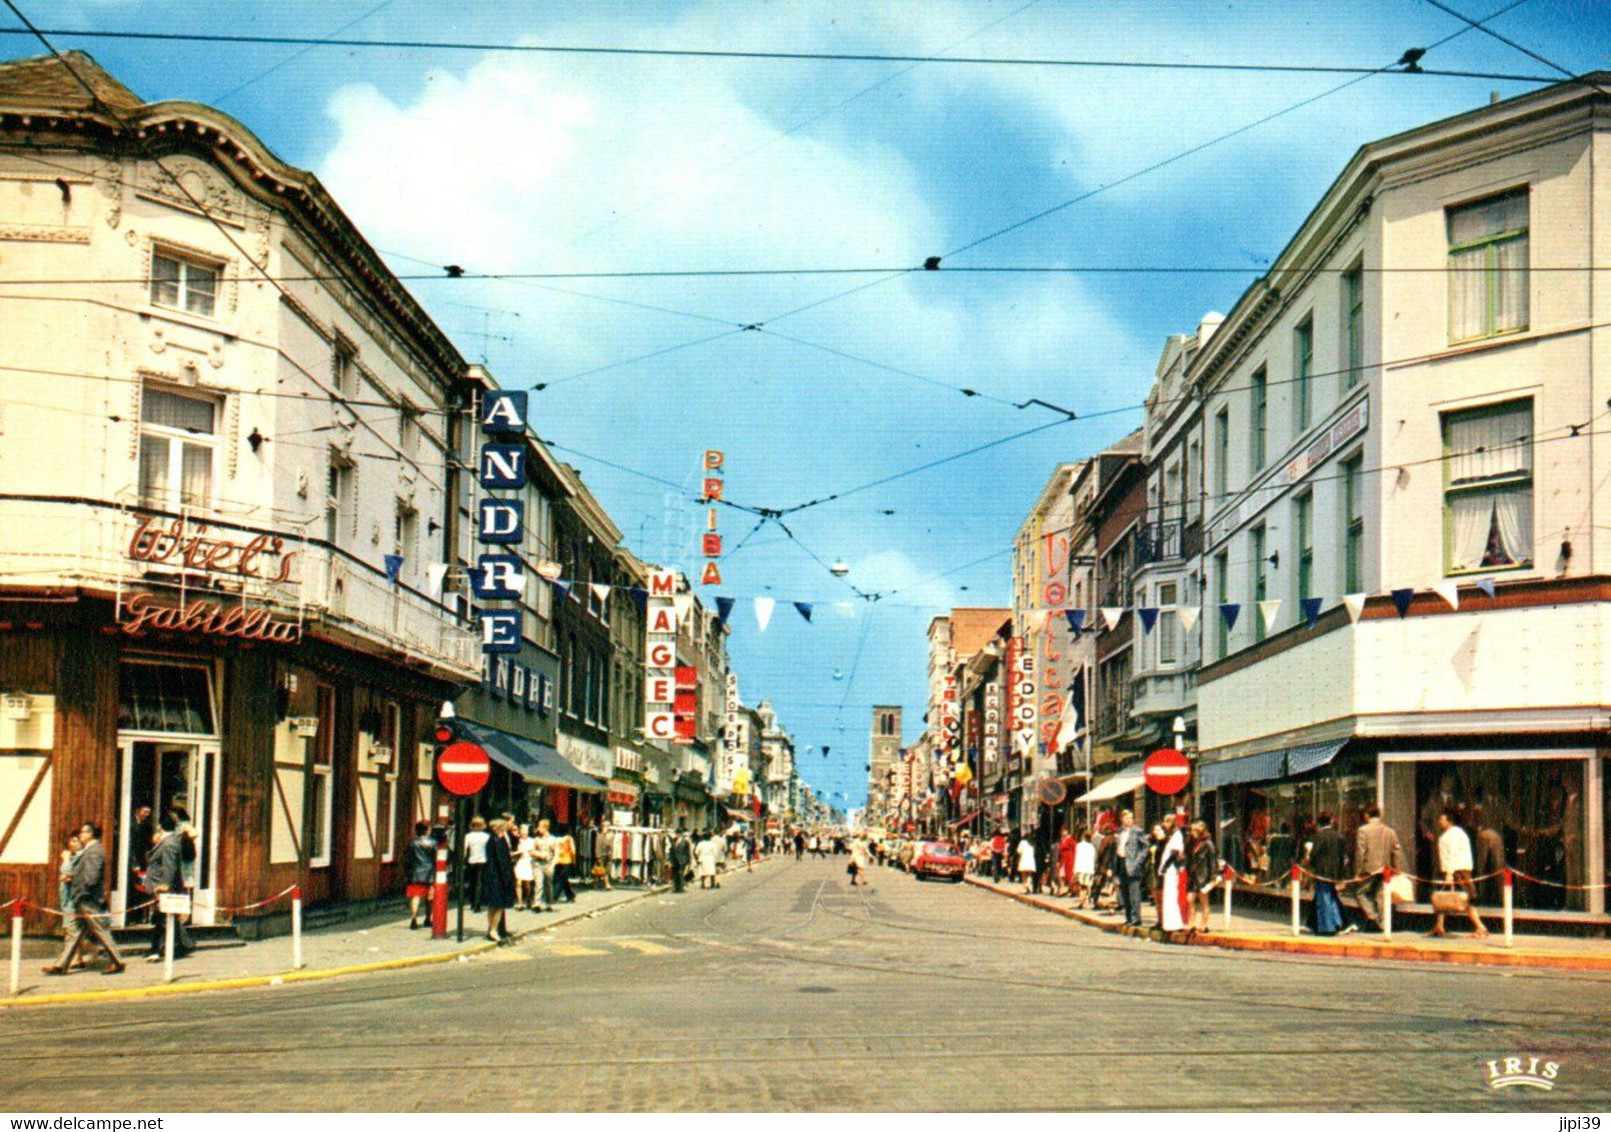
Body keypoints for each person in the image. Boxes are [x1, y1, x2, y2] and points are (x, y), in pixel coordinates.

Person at [43, 822, 124, 976]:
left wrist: (81, 890)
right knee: (76, 931)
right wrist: (72, 877)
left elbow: (91, 877)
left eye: (83, 832)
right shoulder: (91, 849)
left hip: (87, 898)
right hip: (83, 897)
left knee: (100, 930)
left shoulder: (94, 850)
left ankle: (118, 961)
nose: (80, 835)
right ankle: (61, 965)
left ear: (91, 834)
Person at [142, 817, 194, 963]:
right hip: (160, 886)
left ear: (160, 826)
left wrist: (165, 885)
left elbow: (169, 865)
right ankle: (179, 946)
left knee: (160, 919)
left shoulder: (168, 843)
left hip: (163, 888)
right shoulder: (169, 841)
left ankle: (156, 950)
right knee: (163, 919)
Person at [1432, 809, 1489, 939]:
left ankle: (1480, 926)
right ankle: (1439, 926)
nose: (1440, 821)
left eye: (1442, 819)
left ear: (1448, 820)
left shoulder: (1450, 836)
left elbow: (1452, 854)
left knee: (1465, 899)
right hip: (1461, 869)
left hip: (1455, 870)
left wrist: (1449, 874)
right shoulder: (1461, 833)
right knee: (1444, 897)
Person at [1352, 804, 1404, 933]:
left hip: (1369, 868)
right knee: (1381, 895)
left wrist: (1357, 872)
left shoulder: (1363, 830)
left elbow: (1360, 852)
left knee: (1360, 893)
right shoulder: (1390, 831)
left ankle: (1373, 916)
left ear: (1366, 816)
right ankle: (1384, 923)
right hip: (1385, 868)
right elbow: (1397, 851)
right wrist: (1397, 867)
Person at [1305, 811, 1352, 936]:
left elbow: (1313, 855)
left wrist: (1312, 864)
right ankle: (1338, 922)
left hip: (1322, 871)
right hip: (1335, 871)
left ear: (1319, 822)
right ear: (1331, 821)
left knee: (1324, 898)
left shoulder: (1318, 837)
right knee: (1330, 896)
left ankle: (1328, 927)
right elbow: (1344, 857)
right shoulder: (1339, 836)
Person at [479, 818, 517, 943]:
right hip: (498, 878)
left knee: (492, 906)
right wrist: (508, 877)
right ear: (500, 828)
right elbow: (502, 862)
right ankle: (494, 930)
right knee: (499, 906)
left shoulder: (491, 840)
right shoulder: (498, 841)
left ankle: (491, 929)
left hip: (491, 876)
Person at [1114, 812, 1149, 928]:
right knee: (1125, 894)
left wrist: (1137, 862)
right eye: (1126, 818)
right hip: (1122, 864)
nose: (1129, 820)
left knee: (1134, 893)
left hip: (1133, 865)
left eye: (1130, 818)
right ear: (1122, 819)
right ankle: (1128, 917)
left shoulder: (1137, 831)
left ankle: (1136, 919)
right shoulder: (1120, 832)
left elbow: (1145, 847)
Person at [1157, 817, 1190, 933]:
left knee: (1172, 895)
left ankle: (1174, 923)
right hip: (1169, 871)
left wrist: (1165, 866)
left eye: (1167, 821)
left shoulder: (1177, 836)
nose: (1164, 824)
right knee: (1168, 896)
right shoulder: (1171, 836)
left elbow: (1175, 853)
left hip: (1172, 870)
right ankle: (1169, 923)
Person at [405, 821, 438, 929]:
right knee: (429, 897)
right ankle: (428, 919)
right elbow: (436, 857)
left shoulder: (412, 843)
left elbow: (408, 858)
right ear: (427, 830)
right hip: (429, 872)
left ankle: (413, 918)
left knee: (416, 896)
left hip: (415, 872)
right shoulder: (433, 843)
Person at [1471, 805, 1506, 905]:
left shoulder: (1482, 809)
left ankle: (1480, 896)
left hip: (1486, 834)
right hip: (1495, 835)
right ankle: (1500, 896)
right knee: (1498, 867)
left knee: (1482, 867)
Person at [1186, 820, 1217, 933]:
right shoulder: (1192, 843)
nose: (1192, 832)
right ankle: (1192, 922)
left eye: (1195, 830)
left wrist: (1213, 878)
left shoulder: (1208, 843)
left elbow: (1213, 862)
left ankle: (1204, 924)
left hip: (1203, 876)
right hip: (1193, 876)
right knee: (1190, 899)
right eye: (1191, 830)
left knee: (1204, 901)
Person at [125, 805, 153, 924]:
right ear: (137, 810)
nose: (146, 815)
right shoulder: (129, 823)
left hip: (141, 861)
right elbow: (129, 845)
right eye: (144, 811)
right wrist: (133, 863)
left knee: (139, 888)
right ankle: (129, 917)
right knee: (131, 888)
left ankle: (137, 916)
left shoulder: (146, 825)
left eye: (148, 812)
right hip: (131, 861)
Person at [463, 816, 490, 913]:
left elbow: (464, 850)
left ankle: (472, 902)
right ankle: (478, 904)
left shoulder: (468, 836)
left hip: (472, 861)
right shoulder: (486, 836)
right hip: (483, 860)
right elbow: (489, 849)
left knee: (472, 882)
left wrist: (463, 860)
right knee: (480, 882)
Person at [531, 820, 559, 911]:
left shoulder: (553, 839)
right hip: (538, 864)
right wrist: (539, 855)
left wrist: (553, 864)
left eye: (540, 827)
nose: (538, 829)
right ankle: (537, 904)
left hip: (548, 865)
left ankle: (549, 903)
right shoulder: (536, 839)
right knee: (538, 884)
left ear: (545, 828)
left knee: (548, 885)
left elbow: (556, 853)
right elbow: (531, 851)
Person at [1147, 823, 1169, 927]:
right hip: (1153, 871)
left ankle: (1165, 921)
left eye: (1159, 829)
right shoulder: (1152, 842)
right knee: (1157, 898)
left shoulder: (1166, 843)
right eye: (1154, 830)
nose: (1156, 832)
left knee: (1163, 897)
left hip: (1163, 872)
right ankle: (1160, 920)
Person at [512, 824, 537, 911]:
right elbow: (514, 851)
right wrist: (516, 853)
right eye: (523, 831)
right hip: (521, 862)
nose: (524, 833)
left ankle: (530, 900)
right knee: (518, 882)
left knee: (528, 884)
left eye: (526, 831)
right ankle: (520, 902)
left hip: (529, 862)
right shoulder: (517, 841)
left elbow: (534, 851)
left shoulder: (532, 840)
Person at [1055, 828, 1077, 897]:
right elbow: (1059, 851)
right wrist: (1058, 860)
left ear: (1067, 831)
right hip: (1063, 860)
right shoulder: (1062, 840)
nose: (1062, 833)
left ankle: (1072, 890)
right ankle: (1062, 889)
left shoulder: (1071, 840)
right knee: (1060, 876)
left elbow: (1075, 850)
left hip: (1069, 859)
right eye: (1062, 831)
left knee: (1070, 876)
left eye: (1064, 831)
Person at [671, 829, 693, 893]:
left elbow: (688, 851)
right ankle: (676, 888)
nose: (676, 835)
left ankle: (681, 888)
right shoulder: (674, 840)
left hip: (683, 860)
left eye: (678, 834)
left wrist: (689, 861)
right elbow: (672, 850)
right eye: (676, 834)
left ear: (681, 834)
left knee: (681, 873)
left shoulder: (685, 841)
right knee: (675, 874)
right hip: (675, 860)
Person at [595, 821, 615, 890]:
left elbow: (611, 845)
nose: (607, 827)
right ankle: (606, 884)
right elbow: (597, 846)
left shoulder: (611, 835)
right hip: (601, 855)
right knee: (600, 870)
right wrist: (598, 856)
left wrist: (611, 854)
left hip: (608, 855)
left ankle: (599, 883)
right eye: (605, 826)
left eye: (608, 826)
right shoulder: (599, 835)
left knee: (606, 870)